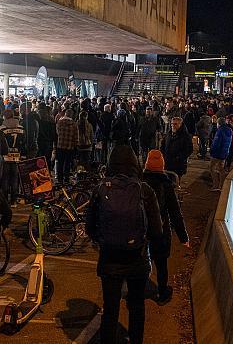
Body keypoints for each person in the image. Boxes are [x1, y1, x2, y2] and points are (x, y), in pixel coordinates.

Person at [86, 145, 162, 344]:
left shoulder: (101, 189)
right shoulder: (144, 190)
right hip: (137, 258)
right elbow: (157, 230)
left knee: (110, 308)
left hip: (110, 259)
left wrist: (103, 240)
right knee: (137, 305)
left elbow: (90, 227)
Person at [142, 150, 189, 305]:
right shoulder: (166, 185)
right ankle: (162, 293)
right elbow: (175, 212)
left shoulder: (140, 183)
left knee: (141, 260)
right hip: (160, 231)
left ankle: (138, 289)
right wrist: (183, 237)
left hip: (142, 230)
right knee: (161, 264)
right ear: (162, 166)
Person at [0, 109, 26, 206]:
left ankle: (5, 200)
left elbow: (0, 144)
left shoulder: (2, 129)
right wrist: (23, 155)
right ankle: (14, 200)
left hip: (6, 156)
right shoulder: (21, 129)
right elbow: (24, 144)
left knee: (5, 178)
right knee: (15, 178)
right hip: (17, 156)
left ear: (4, 117)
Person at [160, 117, 193, 187]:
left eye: (175, 124)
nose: (173, 126)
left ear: (180, 124)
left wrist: (179, 157)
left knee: (175, 182)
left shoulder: (185, 136)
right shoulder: (169, 133)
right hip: (167, 162)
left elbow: (189, 150)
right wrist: (162, 154)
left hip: (178, 164)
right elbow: (163, 144)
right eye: (172, 124)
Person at [55, 109, 79, 184]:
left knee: (60, 163)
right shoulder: (74, 124)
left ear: (65, 114)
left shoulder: (59, 122)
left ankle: (60, 179)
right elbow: (76, 137)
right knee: (67, 163)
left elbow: (57, 133)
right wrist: (76, 145)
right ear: (72, 115)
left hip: (60, 145)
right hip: (70, 147)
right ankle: (66, 178)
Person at [209, 117, 233, 192]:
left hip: (217, 153)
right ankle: (222, 186)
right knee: (221, 169)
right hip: (225, 153)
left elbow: (216, 143)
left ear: (218, 123)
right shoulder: (229, 130)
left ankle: (215, 185)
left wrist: (211, 151)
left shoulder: (219, 131)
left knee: (211, 168)